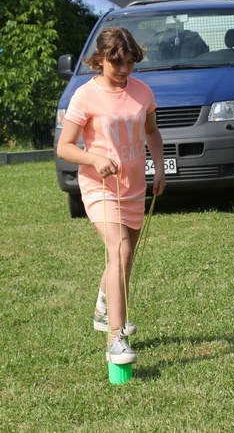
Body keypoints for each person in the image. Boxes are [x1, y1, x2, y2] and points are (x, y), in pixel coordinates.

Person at [57, 27, 165, 365]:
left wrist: (159, 167)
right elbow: (64, 147)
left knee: (124, 258)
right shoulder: (85, 96)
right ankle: (116, 338)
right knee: (119, 249)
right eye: (116, 63)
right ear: (100, 59)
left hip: (133, 186)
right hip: (99, 187)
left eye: (130, 63)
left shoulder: (142, 92)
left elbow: (151, 131)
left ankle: (106, 308)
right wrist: (94, 158)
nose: (124, 70)